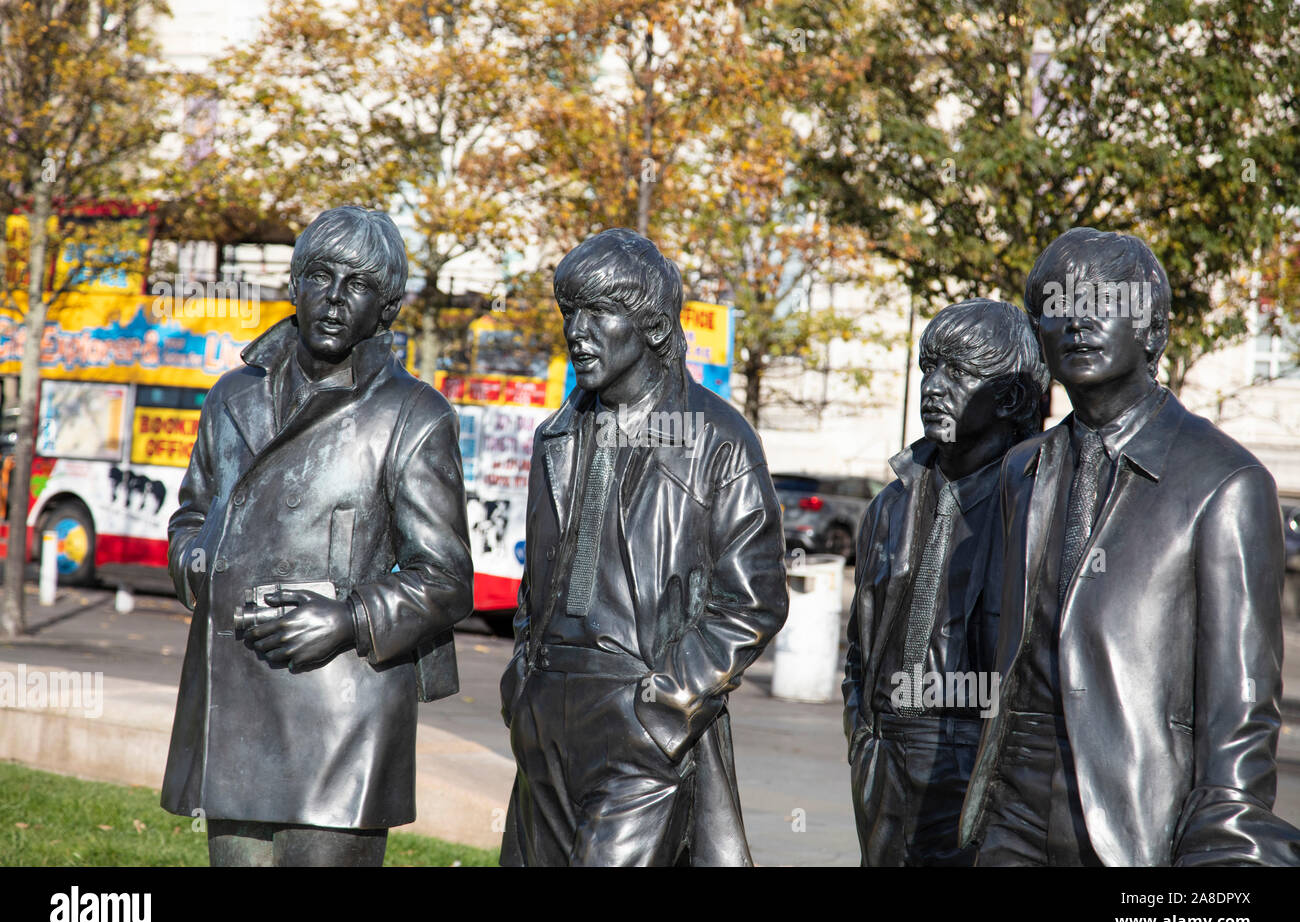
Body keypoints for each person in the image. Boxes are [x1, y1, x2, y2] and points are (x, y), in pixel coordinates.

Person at [960, 226, 1300, 866]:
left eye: (1105, 302)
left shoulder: (1225, 483)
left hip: (1137, 818)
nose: (1078, 322)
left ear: (1154, 331)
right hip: (1009, 812)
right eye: (1059, 305)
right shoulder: (1019, 471)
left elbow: (1241, 712)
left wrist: (1217, 850)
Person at [160, 205, 474, 866]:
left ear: (386, 309)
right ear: (294, 284)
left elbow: (445, 576)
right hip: (237, 698)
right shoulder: (230, 397)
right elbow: (190, 513)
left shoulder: (412, 415)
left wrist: (351, 617)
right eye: (321, 276)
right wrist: (199, 561)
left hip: (343, 712)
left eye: (358, 284)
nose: (334, 297)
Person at [498, 228, 788, 866]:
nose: (578, 330)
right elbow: (535, 584)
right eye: (570, 312)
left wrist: (666, 704)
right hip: (546, 713)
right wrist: (521, 683)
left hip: (640, 716)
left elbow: (753, 601)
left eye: (599, 313)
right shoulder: (559, 434)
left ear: (653, 326)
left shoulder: (717, 438)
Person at [843, 298, 1048, 866]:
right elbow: (860, 644)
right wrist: (861, 735)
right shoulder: (891, 503)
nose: (933, 386)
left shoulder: (1036, 504)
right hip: (886, 754)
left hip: (977, 755)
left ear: (1008, 397)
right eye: (928, 367)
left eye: (957, 372)